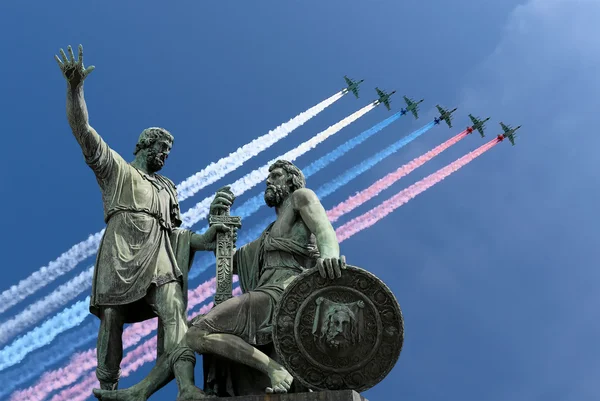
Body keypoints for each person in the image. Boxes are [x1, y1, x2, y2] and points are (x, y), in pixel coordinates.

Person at [55, 44, 231, 390]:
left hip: (159, 256)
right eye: (160, 148)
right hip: (120, 249)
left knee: (174, 311)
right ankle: (109, 388)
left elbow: (178, 236)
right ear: (143, 146)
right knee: (112, 318)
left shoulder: (167, 188)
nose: (165, 155)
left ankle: (186, 388)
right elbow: (83, 130)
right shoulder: (117, 170)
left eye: (168, 151)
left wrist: (207, 238)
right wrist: (75, 88)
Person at [92, 160, 346, 401]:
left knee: (196, 333)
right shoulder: (269, 233)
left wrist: (329, 255)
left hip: (285, 293)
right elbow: (232, 262)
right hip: (264, 295)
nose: (268, 181)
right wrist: (217, 220)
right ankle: (142, 391)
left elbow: (324, 230)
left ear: (292, 181)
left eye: (276, 175)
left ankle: (275, 369)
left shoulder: (301, 198)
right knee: (187, 333)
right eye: (268, 176)